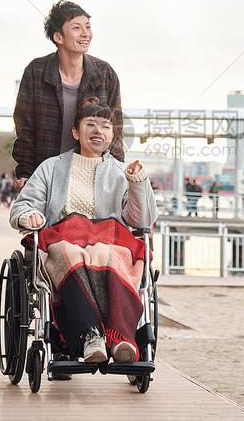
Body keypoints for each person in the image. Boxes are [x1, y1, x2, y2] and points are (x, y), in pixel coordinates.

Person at [11, 98, 157, 364]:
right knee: (69, 253)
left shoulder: (119, 172)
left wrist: (137, 182)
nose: (98, 131)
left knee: (106, 254)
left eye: (105, 126)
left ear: (112, 136)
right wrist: (29, 215)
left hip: (109, 236)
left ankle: (120, 337)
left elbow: (140, 219)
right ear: (76, 132)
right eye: (90, 124)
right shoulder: (51, 167)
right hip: (62, 235)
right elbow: (23, 205)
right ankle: (91, 335)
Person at [12, 0, 123, 193]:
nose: (85, 34)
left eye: (88, 27)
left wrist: (118, 173)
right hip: (46, 177)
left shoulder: (105, 74)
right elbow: (25, 129)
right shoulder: (36, 72)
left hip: (92, 178)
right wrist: (25, 173)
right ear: (58, 37)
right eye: (77, 28)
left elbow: (116, 131)